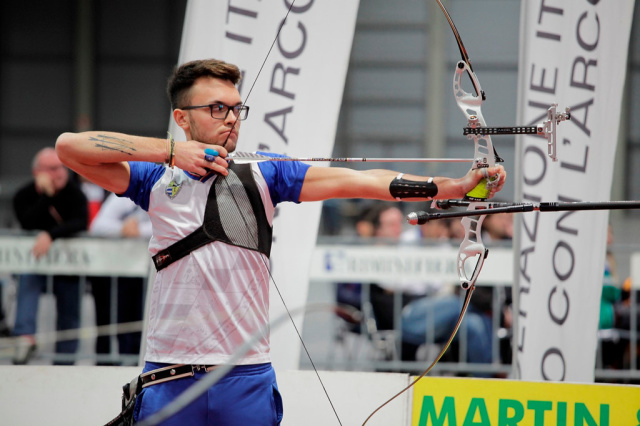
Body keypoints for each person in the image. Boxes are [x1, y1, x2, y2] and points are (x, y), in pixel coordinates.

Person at [55, 58, 506, 425]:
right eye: (217, 108)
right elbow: (69, 148)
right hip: (169, 377)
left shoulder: (265, 172)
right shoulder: (153, 176)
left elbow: (360, 179)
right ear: (182, 118)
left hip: (244, 379)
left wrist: (451, 187)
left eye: (235, 108)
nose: (231, 118)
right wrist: (172, 152)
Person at [12, 147, 88, 365]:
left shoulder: (75, 193)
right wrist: (46, 196)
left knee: (69, 310)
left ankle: (66, 361)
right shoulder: (24, 194)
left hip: (68, 266)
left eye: (63, 167)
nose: (60, 173)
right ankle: (24, 339)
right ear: (38, 172)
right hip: (36, 264)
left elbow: (80, 222)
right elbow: (27, 221)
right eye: (53, 169)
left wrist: (50, 235)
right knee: (27, 281)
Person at [89, 192, 151, 365]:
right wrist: (122, 228)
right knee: (120, 319)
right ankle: (115, 365)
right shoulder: (122, 196)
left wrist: (140, 230)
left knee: (143, 321)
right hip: (122, 271)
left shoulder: (163, 191)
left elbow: (175, 225)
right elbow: (97, 225)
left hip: (151, 272)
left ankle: (138, 365)